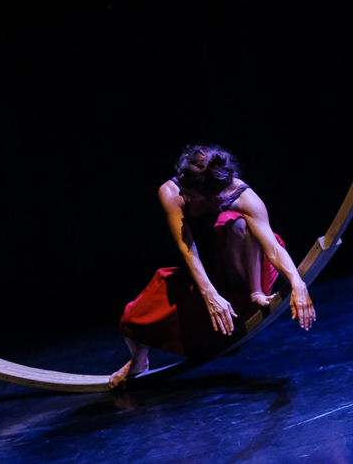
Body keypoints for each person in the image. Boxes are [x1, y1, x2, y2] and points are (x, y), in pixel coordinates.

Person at [110, 144, 315, 388]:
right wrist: (210, 295)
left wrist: (297, 283)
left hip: (246, 272)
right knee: (132, 319)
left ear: (208, 194)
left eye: (189, 192)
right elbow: (188, 249)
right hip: (204, 273)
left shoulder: (245, 198)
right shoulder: (171, 192)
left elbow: (273, 248)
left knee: (236, 223)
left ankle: (254, 294)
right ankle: (139, 361)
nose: (182, 193)